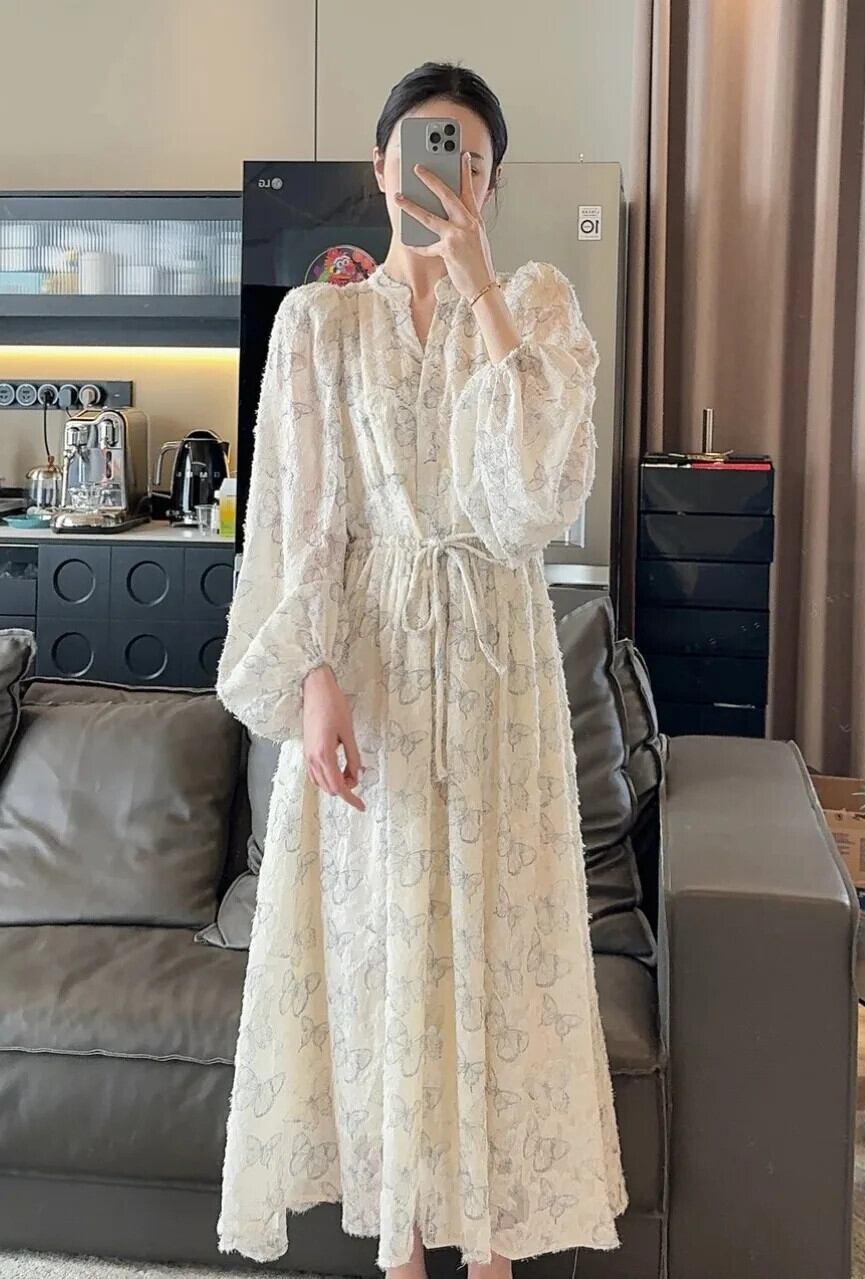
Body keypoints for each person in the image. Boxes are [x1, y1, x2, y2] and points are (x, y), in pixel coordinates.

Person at [214, 60, 627, 1279]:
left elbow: (539, 496)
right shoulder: (318, 324)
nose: (452, 174)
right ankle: (398, 1246)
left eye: (474, 159)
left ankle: (488, 1250)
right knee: (381, 951)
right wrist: (315, 680)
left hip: (496, 669)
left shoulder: (535, 304)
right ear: (381, 165)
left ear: (489, 183)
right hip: (374, 670)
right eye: (428, 149)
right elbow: (296, 524)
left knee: (492, 947)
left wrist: (480, 285)